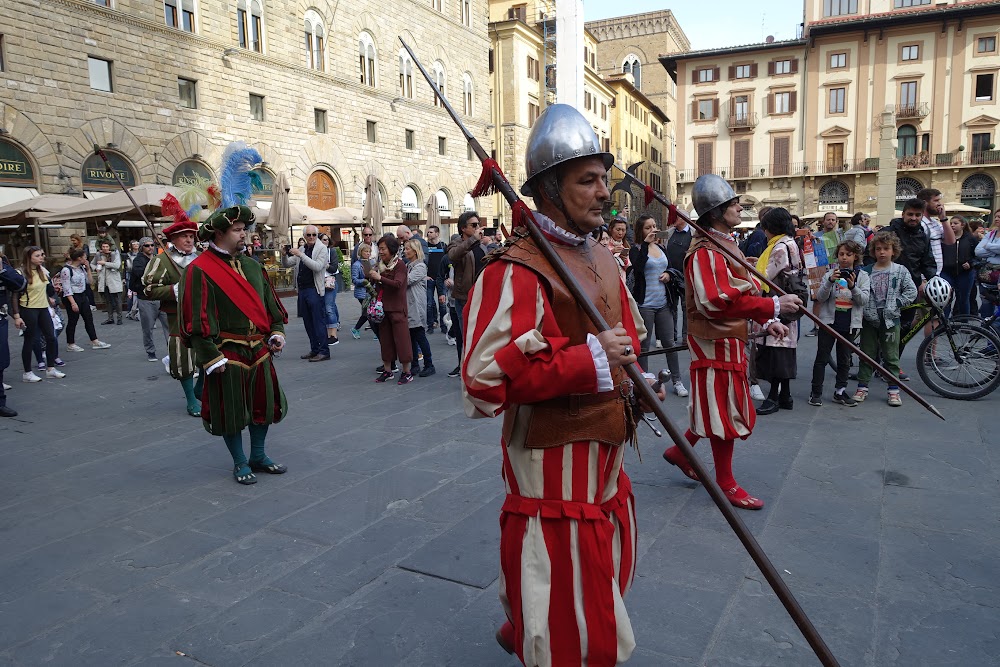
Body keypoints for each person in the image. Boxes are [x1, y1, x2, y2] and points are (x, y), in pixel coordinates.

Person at [462, 104, 656, 665]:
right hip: (551, 462)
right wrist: (588, 358)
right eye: (587, 180)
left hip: (605, 449)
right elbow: (480, 380)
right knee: (567, 587)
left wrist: (635, 378)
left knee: (599, 572)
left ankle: (525, 627)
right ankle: (539, 635)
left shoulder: (600, 254)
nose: (604, 193)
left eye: (604, 179)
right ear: (550, 188)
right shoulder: (514, 270)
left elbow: (627, 336)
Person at [661, 175, 801, 510]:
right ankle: (725, 482)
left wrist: (767, 320)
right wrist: (773, 306)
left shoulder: (726, 244)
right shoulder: (706, 251)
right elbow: (716, 301)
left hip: (727, 339)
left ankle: (679, 451)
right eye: (732, 203)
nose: (739, 206)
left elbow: (741, 290)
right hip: (713, 343)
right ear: (716, 212)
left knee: (714, 404)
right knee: (724, 409)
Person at [179, 205, 288, 485]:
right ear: (220, 233)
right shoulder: (199, 270)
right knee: (232, 411)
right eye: (238, 230)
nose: (245, 235)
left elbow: (271, 308)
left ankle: (259, 455)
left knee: (264, 405)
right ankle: (240, 461)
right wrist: (209, 357)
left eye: (244, 230)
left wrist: (276, 332)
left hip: (260, 351)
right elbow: (195, 320)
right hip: (226, 353)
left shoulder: (253, 266)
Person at [142, 202, 204, 416]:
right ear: (173, 239)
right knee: (184, 358)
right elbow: (148, 289)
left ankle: (201, 387)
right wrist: (173, 290)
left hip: (204, 315)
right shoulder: (161, 261)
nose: (189, 239)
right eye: (184, 236)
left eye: (191, 236)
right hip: (178, 318)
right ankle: (190, 400)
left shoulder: (202, 257)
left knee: (208, 353)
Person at [852, 231, 917, 407]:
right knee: (867, 353)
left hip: (891, 318)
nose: (882, 252)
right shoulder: (865, 272)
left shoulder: (900, 270)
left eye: (886, 249)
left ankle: (893, 389)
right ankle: (862, 386)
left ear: (893, 251)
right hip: (869, 319)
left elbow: (911, 291)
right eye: (878, 249)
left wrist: (897, 303)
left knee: (891, 355)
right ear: (873, 251)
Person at [629, 214, 688, 397]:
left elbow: (671, 267)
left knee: (670, 343)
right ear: (641, 230)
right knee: (644, 346)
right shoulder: (636, 249)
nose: (653, 230)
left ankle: (677, 380)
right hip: (645, 304)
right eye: (648, 227)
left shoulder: (662, 247)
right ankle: (646, 381)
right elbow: (638, 268)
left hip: (663, 303)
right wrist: (646, 244)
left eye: (654, 226)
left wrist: (669, 275)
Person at [752, 208, 803, 415]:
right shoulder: (790, 243)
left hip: (778, 304)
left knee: (776, 351)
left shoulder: (780, 246)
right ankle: (785, 395)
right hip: (788, 303)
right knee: (784, 349)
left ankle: (774, 396)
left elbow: (766, 275)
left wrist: (747, 269)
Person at [809, 240, 869, 407]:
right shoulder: (829, 274)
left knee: (844, 360)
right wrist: (829, 281)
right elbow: (820, 297)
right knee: (822, 357)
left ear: (855, 256)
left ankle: (840, 391)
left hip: (849, 324)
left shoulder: (862, 276)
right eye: (841, 254)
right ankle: (816, 392)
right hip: (829, 322)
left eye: (848, 255)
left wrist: (853, 286)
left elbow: (864, 300)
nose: (844, 258)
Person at [12, 247, 65, 383]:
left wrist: (50, 302)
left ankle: (50, 369)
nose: (42, 257)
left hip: (43, 308)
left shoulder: (42, 271)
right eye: (38, 255)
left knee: (51, 337)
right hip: (28, 309)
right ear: (29, 257)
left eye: (42, 254)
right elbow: (14, 295)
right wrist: (17, 316)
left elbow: (46, 290)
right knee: (30, 340)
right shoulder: (21, 272)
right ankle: (27, 373)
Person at [445, 211, 485, 378]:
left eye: (478, 224)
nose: (477, 228)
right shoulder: (456, 244)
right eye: (473, 225)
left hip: (482, 296)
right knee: (466, 335)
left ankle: (479, 367)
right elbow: (454, 255)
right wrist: (474, 239)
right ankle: (466, 369)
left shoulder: (481, 245)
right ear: (463, 228)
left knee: (481, 335)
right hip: (465, 298)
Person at [282, 224, 330, 362]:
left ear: (317, 235)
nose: (311, 237)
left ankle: (324, 351)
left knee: (318, 321)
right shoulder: (302, 248)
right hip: (302, 290)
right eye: (308, 235)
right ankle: (315, 349)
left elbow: (318, 266)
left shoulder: (321, 249)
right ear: (304, 236)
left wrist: (301, 255)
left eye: (313, 235)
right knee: (308, 322)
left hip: (314, 289)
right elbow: (287, 264)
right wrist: (284, 255)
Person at [368, 234, 413, 384]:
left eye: (383, 249)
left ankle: (407, 372)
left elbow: (398, 284)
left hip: (397, 308)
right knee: (385, 341)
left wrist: (380, 278)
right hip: (383, 309)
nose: (380, 252)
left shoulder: (399, 265)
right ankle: (388, 371)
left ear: (391, 249)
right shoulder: (379, 265)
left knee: (402, 341)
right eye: (379, 249)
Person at [60, 248, 112, 353]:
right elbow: (66, 288)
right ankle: (71, 343)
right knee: (73, 320)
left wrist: (88, 269)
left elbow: (90, 282)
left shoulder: (81, 268)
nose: (86, 258)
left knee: (88, 318)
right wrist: (73, 303)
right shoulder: (66, 270)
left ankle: (94, 340)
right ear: (79, 258)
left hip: (83, 295)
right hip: (72, 296)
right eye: (84, 257)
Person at [131, 237, 168, 362]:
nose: (150, 247)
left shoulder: (158, 258)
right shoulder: (138, 261)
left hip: (161, 297)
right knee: (148, 328)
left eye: (152, 245)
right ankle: (150, 351)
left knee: (169, 326)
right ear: (142, 247)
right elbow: (143, 276)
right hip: (147, 299)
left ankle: (172, 349)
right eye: (147, 245)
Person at [0, 252, 27, 415]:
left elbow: (20, 284)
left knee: (1, 360)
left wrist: (2, 270)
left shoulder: (3, 266)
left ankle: (0, 402)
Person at [404, 239, 434, 377]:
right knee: (411, 337)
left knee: (419, 335)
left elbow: (407, 281)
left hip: (416, 305)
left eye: (407, 249)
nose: (405, 251)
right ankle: (415, 364)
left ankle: (429, 364)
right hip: (409, 305)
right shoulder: (409, 265)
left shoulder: (420, 266)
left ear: (415, 251)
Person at [941, 216, 977, 317]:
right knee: (946, 298)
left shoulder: (970, 239)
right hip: (947, 272)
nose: (952, 225)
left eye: (955, 223)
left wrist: (971, 263)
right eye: (951, 223)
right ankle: (944, 324)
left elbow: (977, 256)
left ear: (962, 225)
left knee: (963, 299)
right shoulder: (945, 237)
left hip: (965, 273)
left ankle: (964, 323)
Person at [916, 188, 956, 277]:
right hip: (924, 275)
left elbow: (951, 241)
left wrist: (943, 219)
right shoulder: (919, 223)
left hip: (936, 273)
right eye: (936, 200)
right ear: (925, 203)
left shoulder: (935, 222)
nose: (939, 204)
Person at [318, 233, 341, 346]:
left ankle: (334, 335)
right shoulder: (315, 253)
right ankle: (328, 334)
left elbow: (334, 268)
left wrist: (324, 265)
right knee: (325, 308)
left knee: (329, 308)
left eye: (326, 240)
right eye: (322, 240)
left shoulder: (331, 251)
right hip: (318, 283)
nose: (325, 242)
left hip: (329, 282)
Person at [94, 240, 123, 325]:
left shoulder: (115, 254)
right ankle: (110, 318)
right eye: (103, 247)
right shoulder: (98, 255)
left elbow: (117, 265)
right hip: (104, 281)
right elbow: (92, 264)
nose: (105, 248)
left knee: (117, 300)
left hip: (114, 280)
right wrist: (95, 268)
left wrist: (105, 263)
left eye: (107, 247)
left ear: (109, 247)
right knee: (108, 301)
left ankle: (119, 318)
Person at [425, 224, 447, 333]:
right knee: (429, 304)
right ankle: (430, 326)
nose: (428, 234)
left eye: (431, 232)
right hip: (429, 279)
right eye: (428, 232)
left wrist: (447, 276)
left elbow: (448, 262)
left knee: (442, 304)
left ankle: (444, 326)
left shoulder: (443, 246)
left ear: (437, 233)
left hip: (441, 279)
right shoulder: (425, 246)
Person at [351, 242, 374, 340]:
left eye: (369, 251)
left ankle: (356, 329)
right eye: (366, 251)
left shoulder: (371, 263)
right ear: (361, 252)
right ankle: (377, 332)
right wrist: (364, 281)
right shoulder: (357, 265)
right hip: (362, 293)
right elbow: (354, 279)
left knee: (368, 312)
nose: (368, 253)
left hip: (371, 291)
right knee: (368, 312)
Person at [125, 239, 141, 320]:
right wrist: (123, 277)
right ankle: (130, 310)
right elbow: (125, 267)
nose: (136, 245)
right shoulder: (128, 255)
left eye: (137, 244)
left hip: (138, 273)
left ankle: (137, 310)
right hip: (130, 274)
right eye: (134, 244)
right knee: (130, 292)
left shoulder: (141, 254)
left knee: (137, 293)